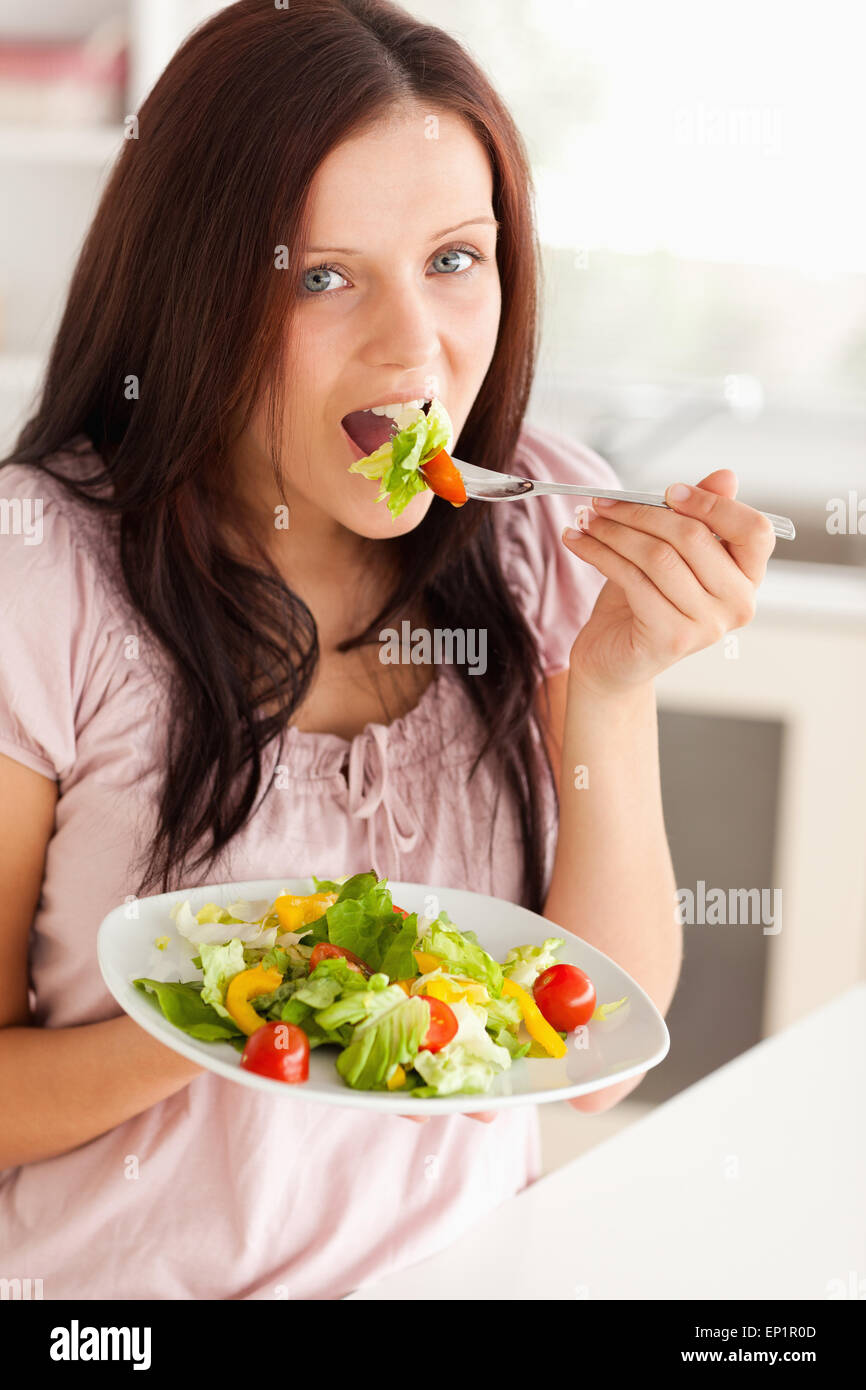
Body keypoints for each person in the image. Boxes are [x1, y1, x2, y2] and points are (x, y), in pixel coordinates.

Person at [0, 0, 775, 1300]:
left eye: (453, 259)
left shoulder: (539, 536)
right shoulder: (39, 570)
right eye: (323, 276)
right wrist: (251, 1008)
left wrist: (614, 682)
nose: (414, 347)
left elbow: (599, 1055)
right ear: (192, 290)